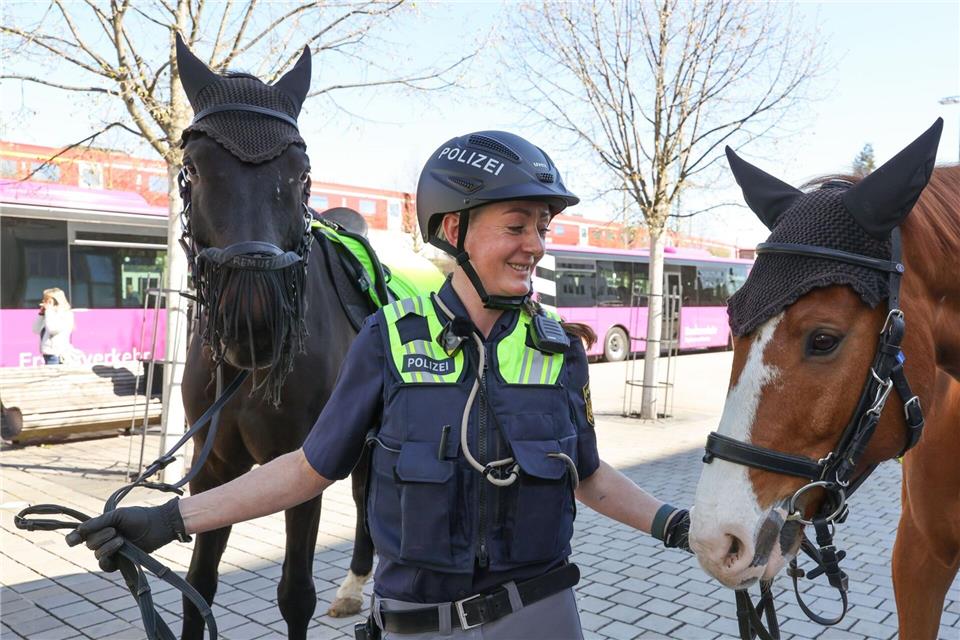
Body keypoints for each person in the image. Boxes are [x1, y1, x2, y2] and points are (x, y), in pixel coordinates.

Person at [67, 131, 690, 639]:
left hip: (543, 620)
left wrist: (679, 525)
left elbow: (589, 475)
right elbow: (305, 470)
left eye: (542, 229)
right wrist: (175, 518)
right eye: (517, 226)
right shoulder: (386, 341)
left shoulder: (559, 349)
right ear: (454, 231)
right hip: (418, 627)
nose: (536, 247)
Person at [32, 287, 75, 365]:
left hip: (56, 355)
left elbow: (52, 329)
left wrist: (49, 311)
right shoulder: (50, 314)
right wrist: (41, 315)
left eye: (46, 300)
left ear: (54, 301)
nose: (43, 302)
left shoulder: (64, 314)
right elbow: (36, 330)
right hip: (48, 354)